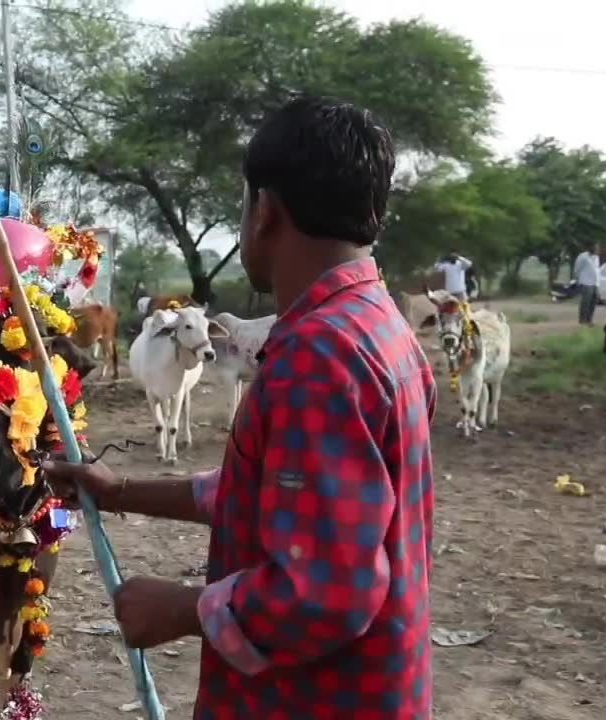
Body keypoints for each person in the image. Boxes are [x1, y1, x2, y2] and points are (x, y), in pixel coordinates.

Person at [43, 97, 436, 719]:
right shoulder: (381, 328)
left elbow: (328, 593)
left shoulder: (319, 356)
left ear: (266, 210)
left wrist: (181, 609)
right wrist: (117, 490)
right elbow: (273, 495)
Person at [574, 244, 600, 325]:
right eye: (595, 247)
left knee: (594, 302)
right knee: (586, 302)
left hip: (595, 283)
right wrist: (578, 279)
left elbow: (597, 270)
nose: (597, 249)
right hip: (585, 282)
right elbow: (577, 268)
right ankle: (582, 320)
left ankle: (589, 319)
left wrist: (598, 283)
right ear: (590, 248)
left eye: (597, 248)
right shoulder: (582, 256)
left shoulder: (596, 258)